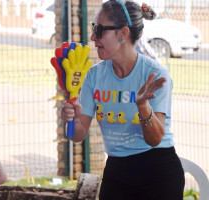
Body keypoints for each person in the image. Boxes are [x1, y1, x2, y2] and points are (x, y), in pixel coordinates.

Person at [61, 1, 185, 200]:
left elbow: (154, 140)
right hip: (116, 171)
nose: (93, 37)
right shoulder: (94, 76)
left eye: (99, 29)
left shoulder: (154, 74)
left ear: (123, 33)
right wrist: (70, 119)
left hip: (158, 172)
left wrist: (143, 107)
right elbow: (78, 134)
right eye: (94, 29)